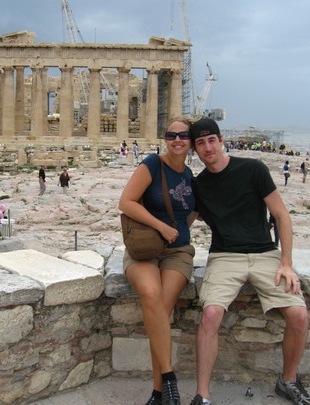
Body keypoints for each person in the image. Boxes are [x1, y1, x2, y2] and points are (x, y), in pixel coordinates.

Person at [188, 118, 310, 405]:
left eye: (212, 140)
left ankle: (288, 381)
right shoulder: (199, 185)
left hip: (265, 254)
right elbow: (184, 222)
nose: (208, 147)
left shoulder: (253, 169)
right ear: (195, 150)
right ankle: (202, 395)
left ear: (221, 141)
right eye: (200, 143)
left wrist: (286, 262)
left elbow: (281, 215)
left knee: (299, 315)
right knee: (210, 314)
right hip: (224, 256)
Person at [118, 116, 196, 405]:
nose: (177, 140)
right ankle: (169, 378)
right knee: (151, 295)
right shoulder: (152, 163)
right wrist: (162, 227)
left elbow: (191, 213)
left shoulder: (190, 175)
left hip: (178, 251)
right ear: (165, 139)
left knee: (159, 311)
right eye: (171, 135)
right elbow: (125, 202)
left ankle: (158, 391)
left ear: (191, 141)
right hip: (145, 247)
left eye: (183, 135)